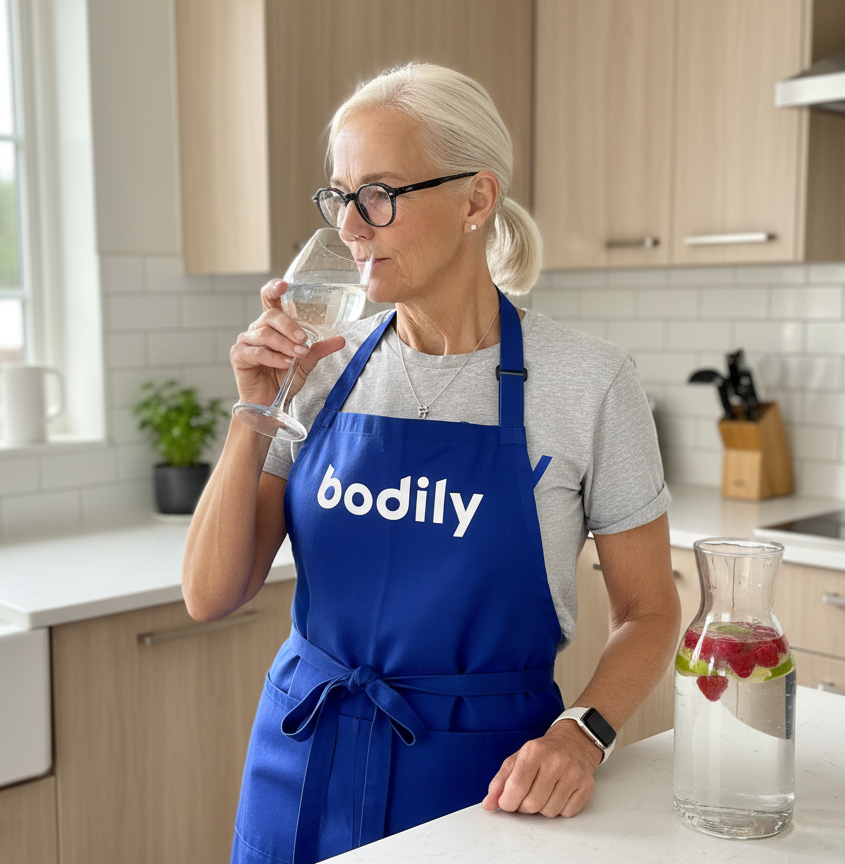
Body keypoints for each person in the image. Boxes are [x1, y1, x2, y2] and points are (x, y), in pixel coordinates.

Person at [183, 63, 680, 864]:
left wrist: (582, 734)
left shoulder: (588, 382)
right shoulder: (319, 366)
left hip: (482, 785)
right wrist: (254, 411)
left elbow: (650, 612)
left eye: (379, 194)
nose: (352, 227)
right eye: (340, 196)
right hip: (301, 759)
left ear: (476, 200)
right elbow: (210, 594)